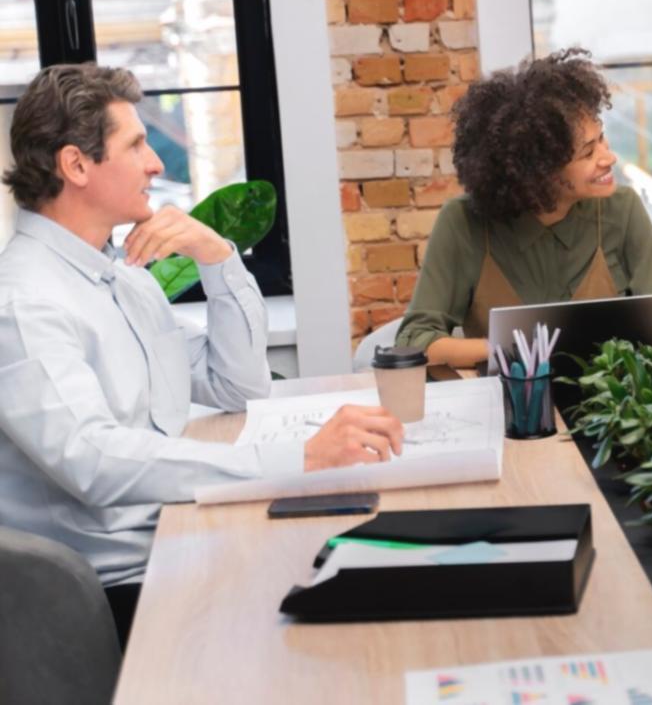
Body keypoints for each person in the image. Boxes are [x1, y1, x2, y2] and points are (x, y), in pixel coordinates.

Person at [0, 63, 404, 642]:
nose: (157, 163)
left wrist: (217, 257)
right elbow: (94, 462)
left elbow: (237, 387)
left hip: (176, 537)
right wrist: (300, 458)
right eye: (136, 145)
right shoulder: (22, 302)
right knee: (344, 621)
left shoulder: (125, 277)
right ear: (76, 164)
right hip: (115, 593)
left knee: (365, 558)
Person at [396, 49, 652, 369]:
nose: (608, 158)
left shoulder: (622, 210)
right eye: (587, 153)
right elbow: (415, 340)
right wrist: (507, 349)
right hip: (506, 408)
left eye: (602, 139)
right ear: (538, 173)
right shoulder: (462, 223)